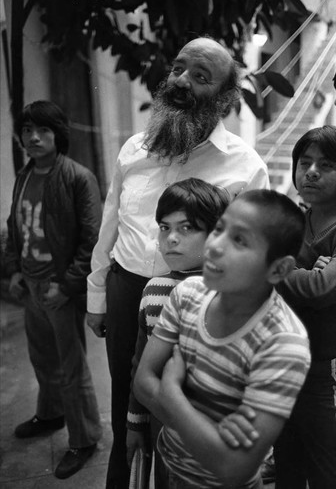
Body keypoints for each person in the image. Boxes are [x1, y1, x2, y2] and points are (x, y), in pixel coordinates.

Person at [87, 36, 270, 489]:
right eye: (179, 69)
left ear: (225, 97)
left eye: (201, 76)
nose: (183, 81)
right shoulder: (134, 149)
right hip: (128, 289)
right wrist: (96, 293)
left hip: (198, 304)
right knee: (126, 409)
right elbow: (110, 224)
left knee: (182, 409)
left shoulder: (244, 166)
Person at [134, 189, 311, 489]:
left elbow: (234, 469)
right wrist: (214, 438)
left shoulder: (282, 342)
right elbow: (141, 383)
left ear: (278, 269)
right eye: (219, 229)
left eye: (239, 240)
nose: (215, 246)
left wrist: (172, 394)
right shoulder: (188, 293)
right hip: (168, 466)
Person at [5, 100, 103, 479]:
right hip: (29, 284)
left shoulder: (78, 177)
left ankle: (84, 437)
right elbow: (15, 226)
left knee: (71, 366)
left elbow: (91, 240)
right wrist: (14, 271)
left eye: (42, 130)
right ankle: (51, 414)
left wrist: (66, 285)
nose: (33, 137)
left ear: (57, 135)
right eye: (28, 130)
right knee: (43, 359)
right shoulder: (25, 175)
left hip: (59, 286)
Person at [126, 178, 229, 487]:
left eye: (187, 228)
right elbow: (140, 364)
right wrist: (135, 424)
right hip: (163, 432)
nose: (171, 239)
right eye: (164, 227)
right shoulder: (154, 290)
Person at [272, 126, 336, 489]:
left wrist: (277, 266)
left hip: (324, 370)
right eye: (304, 162)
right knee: (287, 461)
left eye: (326, 164)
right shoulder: (295, 221)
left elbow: (319, 289)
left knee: (326, 465)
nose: (311, 171)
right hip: (283, 361)